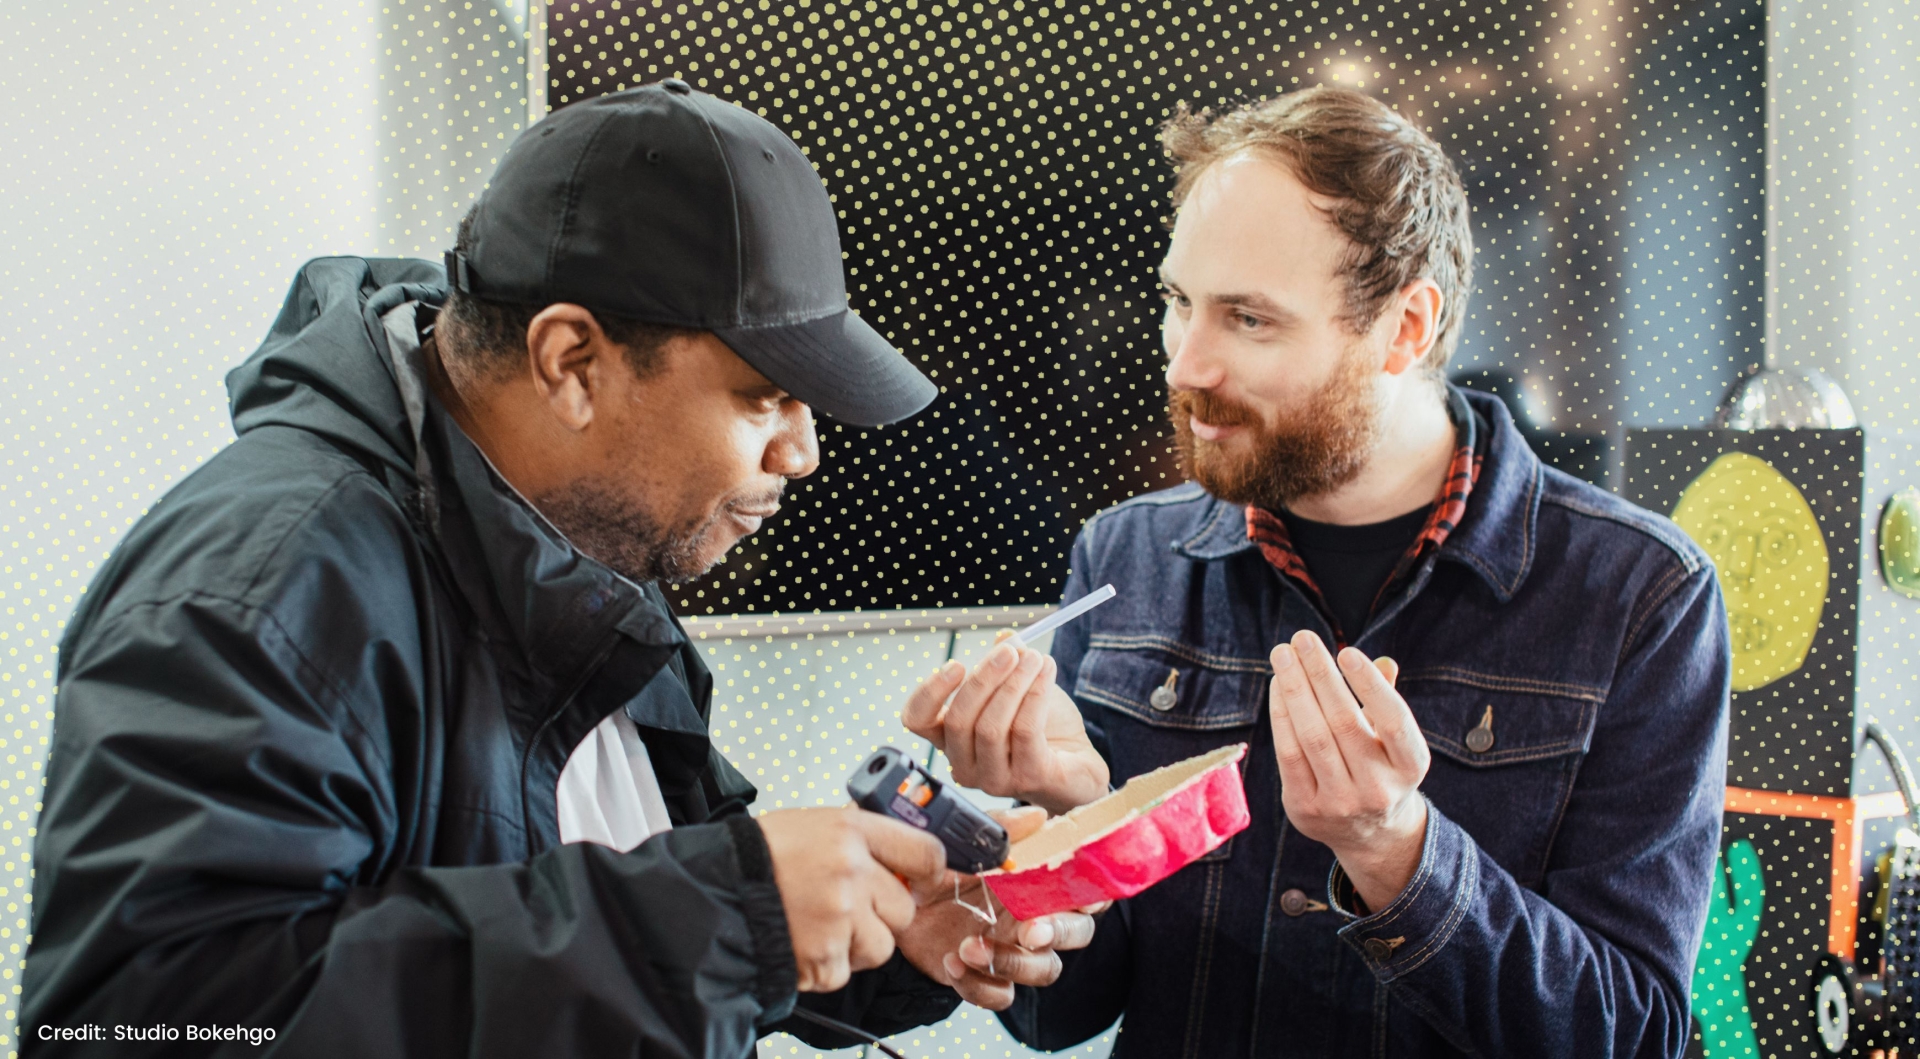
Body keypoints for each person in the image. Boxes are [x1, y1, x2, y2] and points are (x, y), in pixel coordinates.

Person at [22, 80, 1096, 1057]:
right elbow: (133, 1025)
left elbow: (615, 887)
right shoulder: (262, 590)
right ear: (572, 362)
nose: (802, 452)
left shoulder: (591, 545)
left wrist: (871, 940)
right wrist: (716, 919)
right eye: (763, 395)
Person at [906, 85, 1731, 1057]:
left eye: (1250, 320)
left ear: (1406, 329)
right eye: (1180, 303)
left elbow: (1635, 1036)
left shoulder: (1641, 594)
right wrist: (1066, 824)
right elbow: (1070, 1013)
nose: (1186, 365)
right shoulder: (1123, 557)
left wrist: (1397, 856)